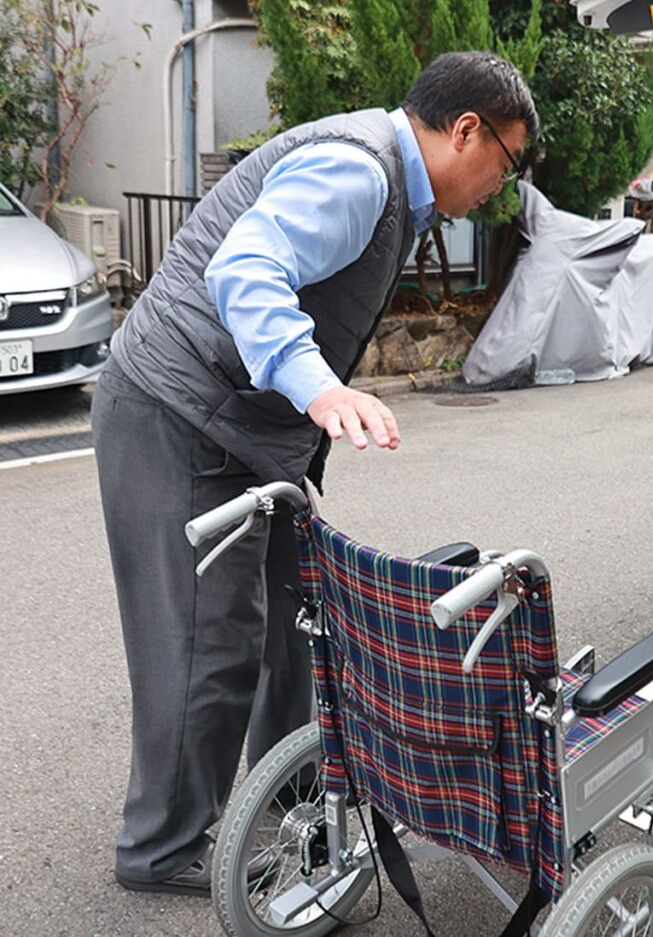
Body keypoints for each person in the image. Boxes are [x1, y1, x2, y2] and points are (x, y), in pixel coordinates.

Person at [92, 51, 539, 896]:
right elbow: (247, 269)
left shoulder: (392, 182)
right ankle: (163, 847)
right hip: (178, 412)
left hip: (245, 430)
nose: (499, 188)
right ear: (467, 129)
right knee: (205, 643)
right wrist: (319, 384)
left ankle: (296, 797)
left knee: (303, 616)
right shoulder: (359, 169)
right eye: (505, 165)